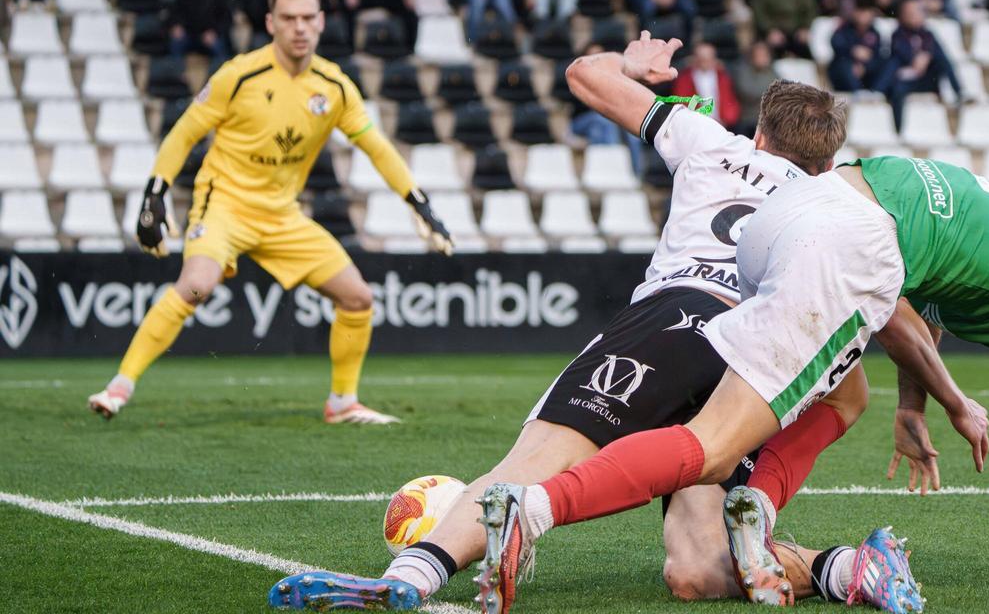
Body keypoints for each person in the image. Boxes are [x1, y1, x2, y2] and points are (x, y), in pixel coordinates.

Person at [269, 34, 926, 613]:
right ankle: (848, 569)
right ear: (829, 158)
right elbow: (886, 309)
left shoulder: (709, 140)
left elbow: (584, 75)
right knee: (697, 572)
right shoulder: (840, 200)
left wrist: (631, 63)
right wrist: (938, 396)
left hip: (675, 316)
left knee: (531, 463)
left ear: (759, 133)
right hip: (757, 352)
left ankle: (414, 574)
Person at [472, 145, 989, 612]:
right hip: (848, 239)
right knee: (712, 443)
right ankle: (529, 510)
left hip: (790, 214)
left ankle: (753, 508)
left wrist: (918, 404)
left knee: (847, 391)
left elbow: (909, 308)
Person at [87, 0, 452, 424]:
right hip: (224, 204)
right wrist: (155, 195)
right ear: (270, 23)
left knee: (357, 298)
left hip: (282, 214)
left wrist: (419, 203)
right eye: (288, 18)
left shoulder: (334, 87)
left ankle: (342, 402)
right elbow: (184, 133)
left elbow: (376, 147)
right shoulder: (239, 75)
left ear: (321, 23)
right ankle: (119, 386)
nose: (299, 27)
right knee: (196, 285)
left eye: (307, 18)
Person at [880, 0, 964, 130]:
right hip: (906, 81)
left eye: (915, 12)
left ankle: (959, 91)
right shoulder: (898, 34)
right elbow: (899, 53)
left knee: (941, 59)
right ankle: (898, 129)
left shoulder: (928, 35)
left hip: (927, 79)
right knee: (897, 88)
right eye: (908, 13)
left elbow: (940, 57)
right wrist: (915, 58)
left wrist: (927, 55)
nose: (912, 16)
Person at [672, 42, 740, 128]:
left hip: (720, 124)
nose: (705, 62)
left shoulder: (722, 78)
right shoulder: (685, 79)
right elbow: (681, 102)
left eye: (708, 58)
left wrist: (727, 119)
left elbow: (730, 101)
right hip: (695, 124)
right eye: (702, 58)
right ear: (695, 59)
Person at [829, 1, 887, 93]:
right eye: (861, 12)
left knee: (885, 64)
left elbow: (877, 56)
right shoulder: (844, 29)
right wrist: (852, 51)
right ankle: (858, 92)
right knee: (844, 66)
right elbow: (836, 45)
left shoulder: (874, 33)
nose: (863, 16)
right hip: (845, 69)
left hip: (866, 73)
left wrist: (865, 67)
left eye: (866, 12)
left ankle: (877, 92)